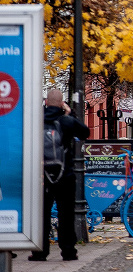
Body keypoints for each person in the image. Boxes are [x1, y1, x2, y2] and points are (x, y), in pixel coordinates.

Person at [30, 90, 89, 262]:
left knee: (42, 214)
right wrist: (69, 114)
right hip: (65, 174)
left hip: (42, 175)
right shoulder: (67, 121)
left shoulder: (36, 120)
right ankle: (68, 252)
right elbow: (85, 133)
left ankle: (40, 252)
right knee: (66, 214)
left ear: (46, 102)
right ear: (62, 103)